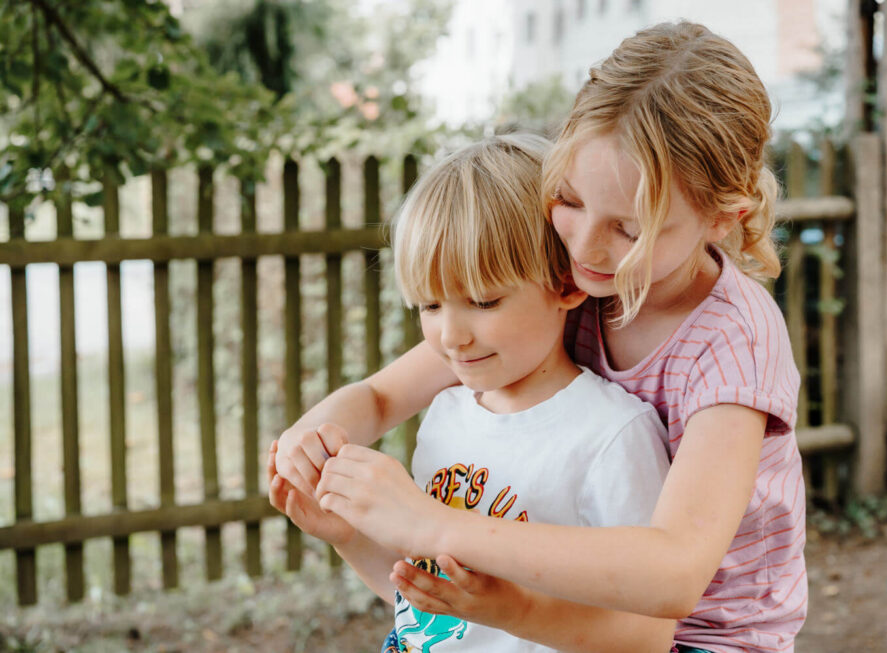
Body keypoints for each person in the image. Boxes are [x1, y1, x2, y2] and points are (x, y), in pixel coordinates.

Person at [278, 21, 805, 653]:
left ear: (722, 219)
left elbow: (675, 574)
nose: (581, 246)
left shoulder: (732, 341)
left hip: (708, 639)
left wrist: (433, 525)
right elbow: (384, 397)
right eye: (569, 199)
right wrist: (314, 441)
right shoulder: (575, 279)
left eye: (629, 229)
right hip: (572, 612)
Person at [270, 133, 675, 652]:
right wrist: (345, 535)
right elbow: (433, 619)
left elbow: (648, 638)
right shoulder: (447, 414)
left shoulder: (612, 437)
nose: (451, 336)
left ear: (566, 285)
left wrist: (513, 608)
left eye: (483, 302)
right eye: (431, 306)